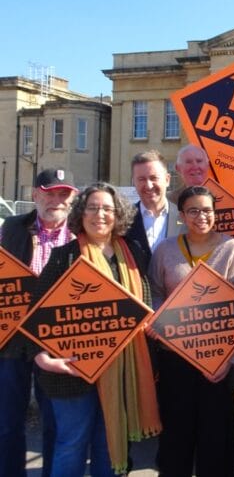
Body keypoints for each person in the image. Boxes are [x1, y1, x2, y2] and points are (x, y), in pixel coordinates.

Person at [31, 182, 161, 476]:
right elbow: (36, 316)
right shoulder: (63, 257)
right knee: (72, 444)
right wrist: (43, 357)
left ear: (118, 214)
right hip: (73, 372)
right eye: (92, 207)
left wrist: (151, 324)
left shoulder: (134, 255)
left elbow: (144, 303)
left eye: (107, 208)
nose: (99, 214)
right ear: (81, 213)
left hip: (121, 370)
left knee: (108, 444)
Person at [148, 186, 234, 477]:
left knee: (216, 439)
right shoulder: (165, 249)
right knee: (175, 436)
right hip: (174, 358)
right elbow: (153, 290)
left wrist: (229, 360)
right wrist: (158, 320)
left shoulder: (232, 248)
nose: (201, 216)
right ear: (181, 215)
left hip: (215, 361)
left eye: (207, 210)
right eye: (193, 210)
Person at [0, 169, 76, 477]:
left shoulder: (81, 234)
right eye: (49, 193)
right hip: (11, 340)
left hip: (55, 341)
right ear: (35, 194)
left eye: (63, 194)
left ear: (73, 199)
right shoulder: (11, 227)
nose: (56, 200)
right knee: (6, 423)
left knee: (56, 424)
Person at [125, 150, 181, 261]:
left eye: (154, 178)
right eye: (141, 179)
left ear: (167, 180)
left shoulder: (184, 218)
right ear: (134, 182)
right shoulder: (123, 220)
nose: (149, 185)